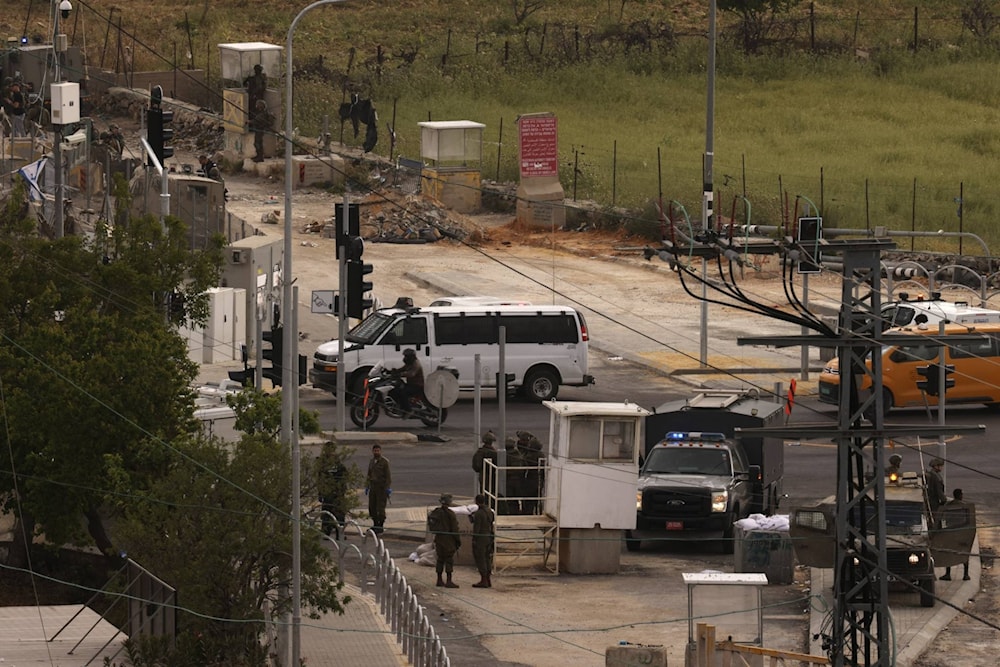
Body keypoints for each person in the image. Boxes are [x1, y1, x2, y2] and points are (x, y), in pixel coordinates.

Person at [428, 493, 461, 588]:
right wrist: (458, 540)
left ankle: (439, 579)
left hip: (439, 538)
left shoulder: (436, 512)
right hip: (448, 539)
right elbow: (455, 529)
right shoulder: (450, 514)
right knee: (449, 559)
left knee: (440, 559)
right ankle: (449, 580)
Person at [941, 488, 972, 581]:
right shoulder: (965, 506)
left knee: (948, 552)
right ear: (960, 496)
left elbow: (944, 518)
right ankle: (965, 574)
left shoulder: (948, 505)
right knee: (964, 552)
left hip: (950, 531)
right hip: (962, 532)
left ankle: (948, 574)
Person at [470, 494, 495, 588]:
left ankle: (483, 579)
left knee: (480, 558)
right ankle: (488, 579)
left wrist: (474, 539)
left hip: (481, 537)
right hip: (489, 536)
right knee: (487, 557)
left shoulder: (479, 513)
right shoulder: (489, 511)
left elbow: (477, 529)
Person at [365, 444, 391, 534]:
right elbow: (369, 474)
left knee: (380, 508)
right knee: (372, 507)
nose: (376, 452)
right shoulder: (372, 461)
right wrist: (367, 485)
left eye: (378, 451)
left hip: (381, 488)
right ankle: (375, 524)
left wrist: (387, 488)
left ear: (380, 451)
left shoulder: (384, 462)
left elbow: (388, 477)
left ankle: (380, 526)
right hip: (373, 487)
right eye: (375, 451)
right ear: (372, 451)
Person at [390, 348, 424, 416]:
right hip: (411, 384)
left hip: (417, 386)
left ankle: (408, 410)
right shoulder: (409, 363)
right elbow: (403, 369)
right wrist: (394, 371)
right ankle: (399, 407)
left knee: (403, 392)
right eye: (405, 356)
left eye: (406, 356)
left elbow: (411, 374)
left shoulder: (416, 364)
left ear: (411, 357)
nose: (405, 358)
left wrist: (401, 374)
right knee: (394, 389)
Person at [518, 430, 544, 515]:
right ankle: (537, 512)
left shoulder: (529, 456)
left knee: (528, 501)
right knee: (537, 500)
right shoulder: (541, 455)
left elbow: (523, 467)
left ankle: (527, 513)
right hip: (538, 481)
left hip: (529, 481)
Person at [502, 437, 525, 515]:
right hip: (519, 480)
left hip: (509, 480)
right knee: (518, 499)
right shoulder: (518, 454)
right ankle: (518, 512)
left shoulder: (504, 455)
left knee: (510, 499)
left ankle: (511, 513)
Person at [472, 431, 498, 495]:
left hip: (483, 475)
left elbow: (476, 467)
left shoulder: (480, 452)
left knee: (484, 492)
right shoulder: (494, 453)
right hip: (493, 475)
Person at [249, 98, 273, 163]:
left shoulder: (262, 115)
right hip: (258, 130)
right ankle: (258, 156)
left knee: (257, 143)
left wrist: (249, 122)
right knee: (257, 143)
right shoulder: (262, 113)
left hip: (259, 130)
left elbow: (256, 121)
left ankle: (260, 157)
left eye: (257, 105)